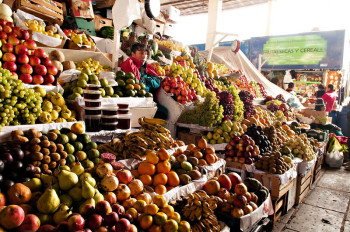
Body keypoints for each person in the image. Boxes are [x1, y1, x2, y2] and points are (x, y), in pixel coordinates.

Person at [120, 42, 168, 119]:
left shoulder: (148, 67)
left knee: (164, 112)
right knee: (162, 113)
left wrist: (145, 79)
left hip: (148, 99)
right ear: (133, 54)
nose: (144, 56)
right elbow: (137, 83)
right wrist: (147, 81)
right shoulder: (129, 64)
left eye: (145, 54)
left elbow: (157, 82)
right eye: (141, 53)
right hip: (136, 100)